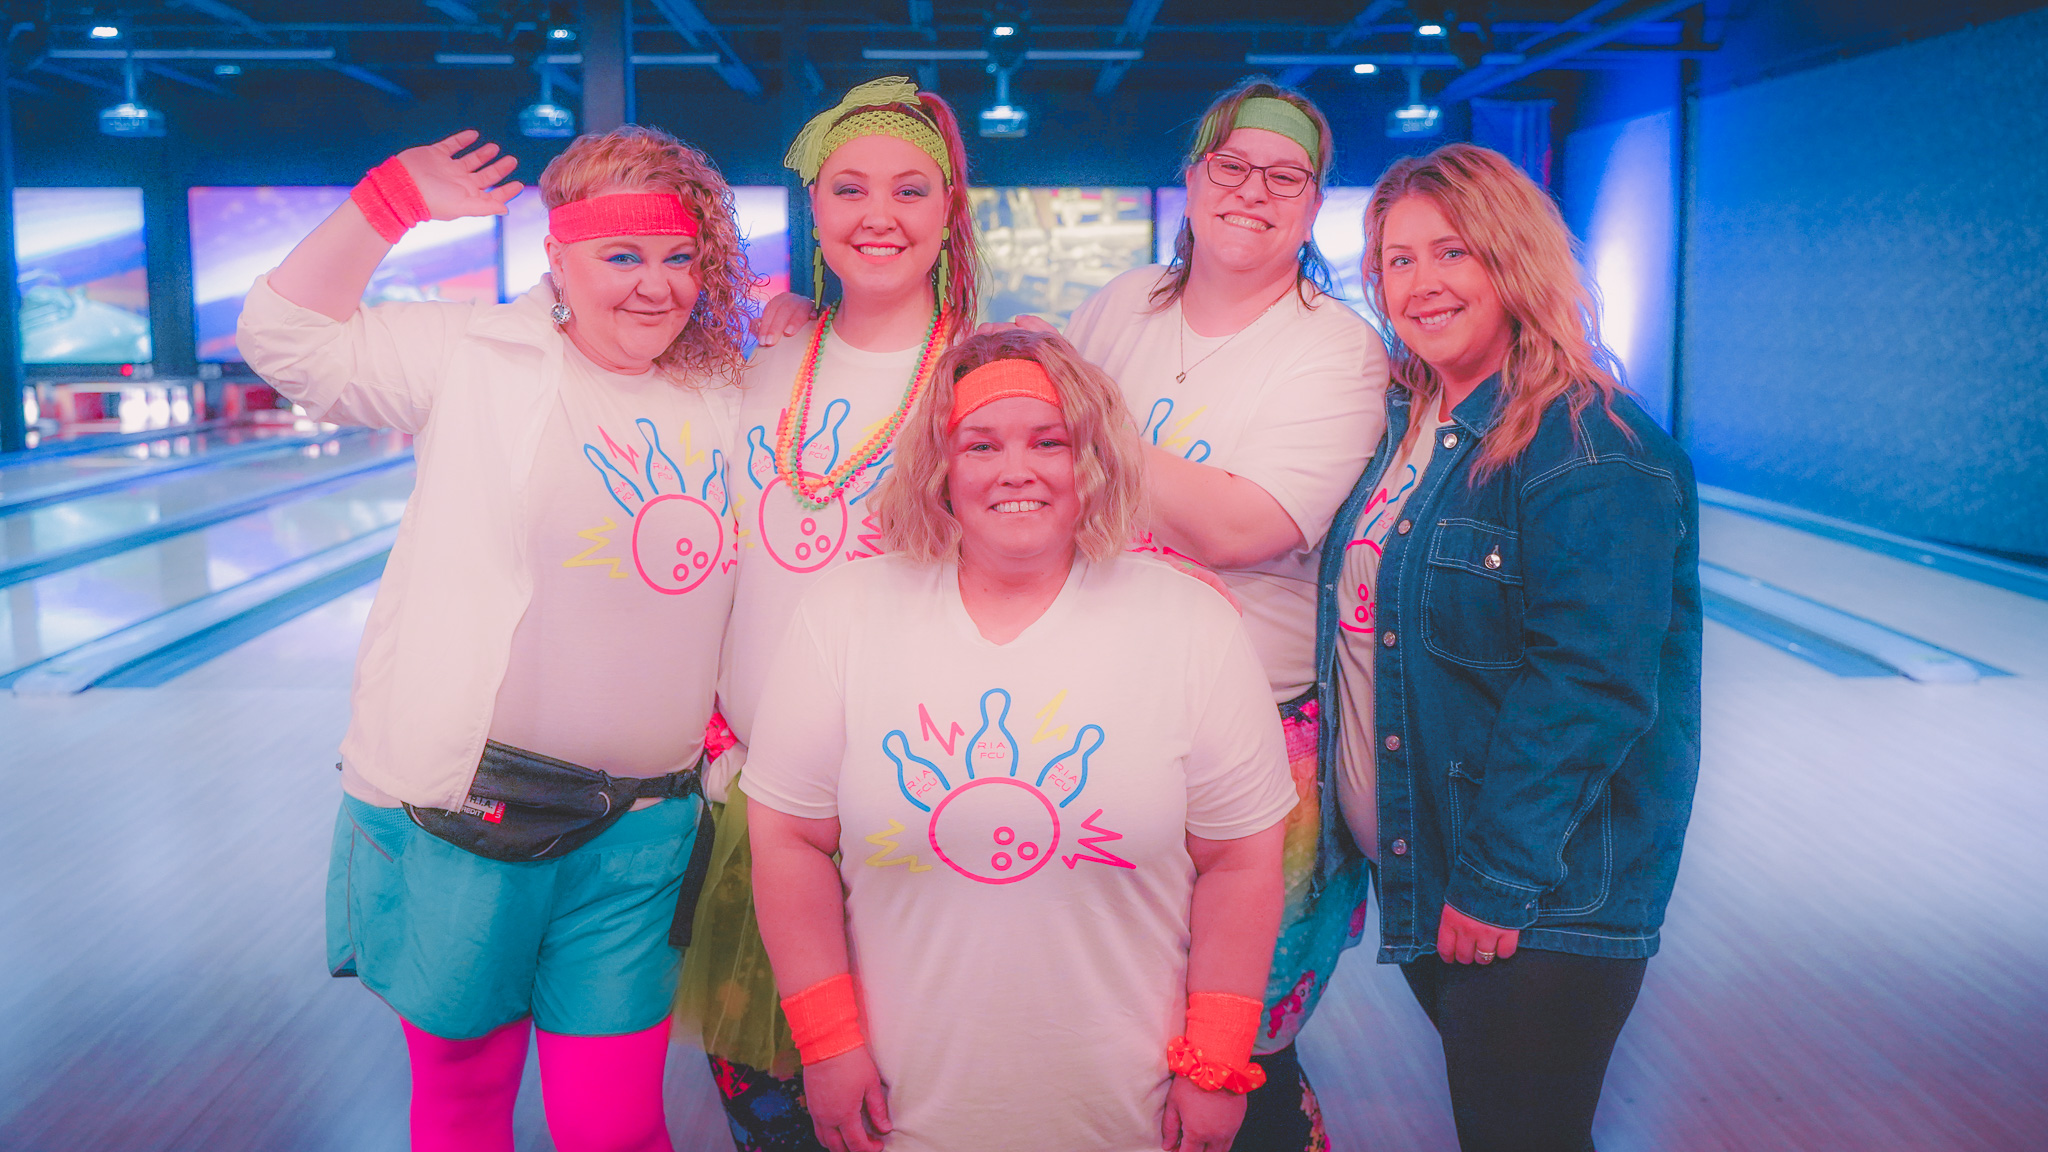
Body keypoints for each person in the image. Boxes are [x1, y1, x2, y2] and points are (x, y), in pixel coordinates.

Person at [237, 125, 756, 1152]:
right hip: (469, 815)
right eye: (621, 256)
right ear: (556, 259)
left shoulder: (723, 392)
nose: (655, 286)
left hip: (645, 830)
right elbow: (286, 339)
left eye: (678, 257)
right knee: (466, 1112)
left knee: (615, 1129)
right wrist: (382, 203)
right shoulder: (472, 354)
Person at [743, 327, 1297, 1152]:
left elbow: (1243, 859)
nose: (1016, 469)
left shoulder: (1188, 622)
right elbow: (787, 840)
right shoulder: (845, 612)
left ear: (1095, 461)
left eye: (1051, 442)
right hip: (902, 1110)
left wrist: (1214, 1059)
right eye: (980, 444)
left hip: (1130, 1114)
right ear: (940, 467)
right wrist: (826, 1042)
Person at [1318, 142, 1702, 1151]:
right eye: (1395, 260)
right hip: (1438, 867)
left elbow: (1589, 686)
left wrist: (1493, 880)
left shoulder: (1589, 446)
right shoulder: (1412, 423)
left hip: (1534, 896)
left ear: (1512, 260)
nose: (1418, 282)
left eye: (1451, 253)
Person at [1056, 77, 1389, 1148]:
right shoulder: (1123, 304)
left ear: (1312, 199)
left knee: (1236, 1038)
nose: (1254, 191)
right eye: (1231, 166)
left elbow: (1249, 524)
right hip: (1098, 706)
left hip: (1254, 729)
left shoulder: (1336, 345)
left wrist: (1081, 426)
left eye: (1283, 175)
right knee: (1112, 1012)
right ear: (1192, 177)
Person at [672, 76, 985, 1151]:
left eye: (908, 190)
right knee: (777, 1115)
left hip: (924, 813)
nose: (876, 216)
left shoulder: (987, 376)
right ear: (816, 212)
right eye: (848, 189)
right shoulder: (756, 364)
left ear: (948, 211)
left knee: (923, 1109)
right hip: (756, 809)